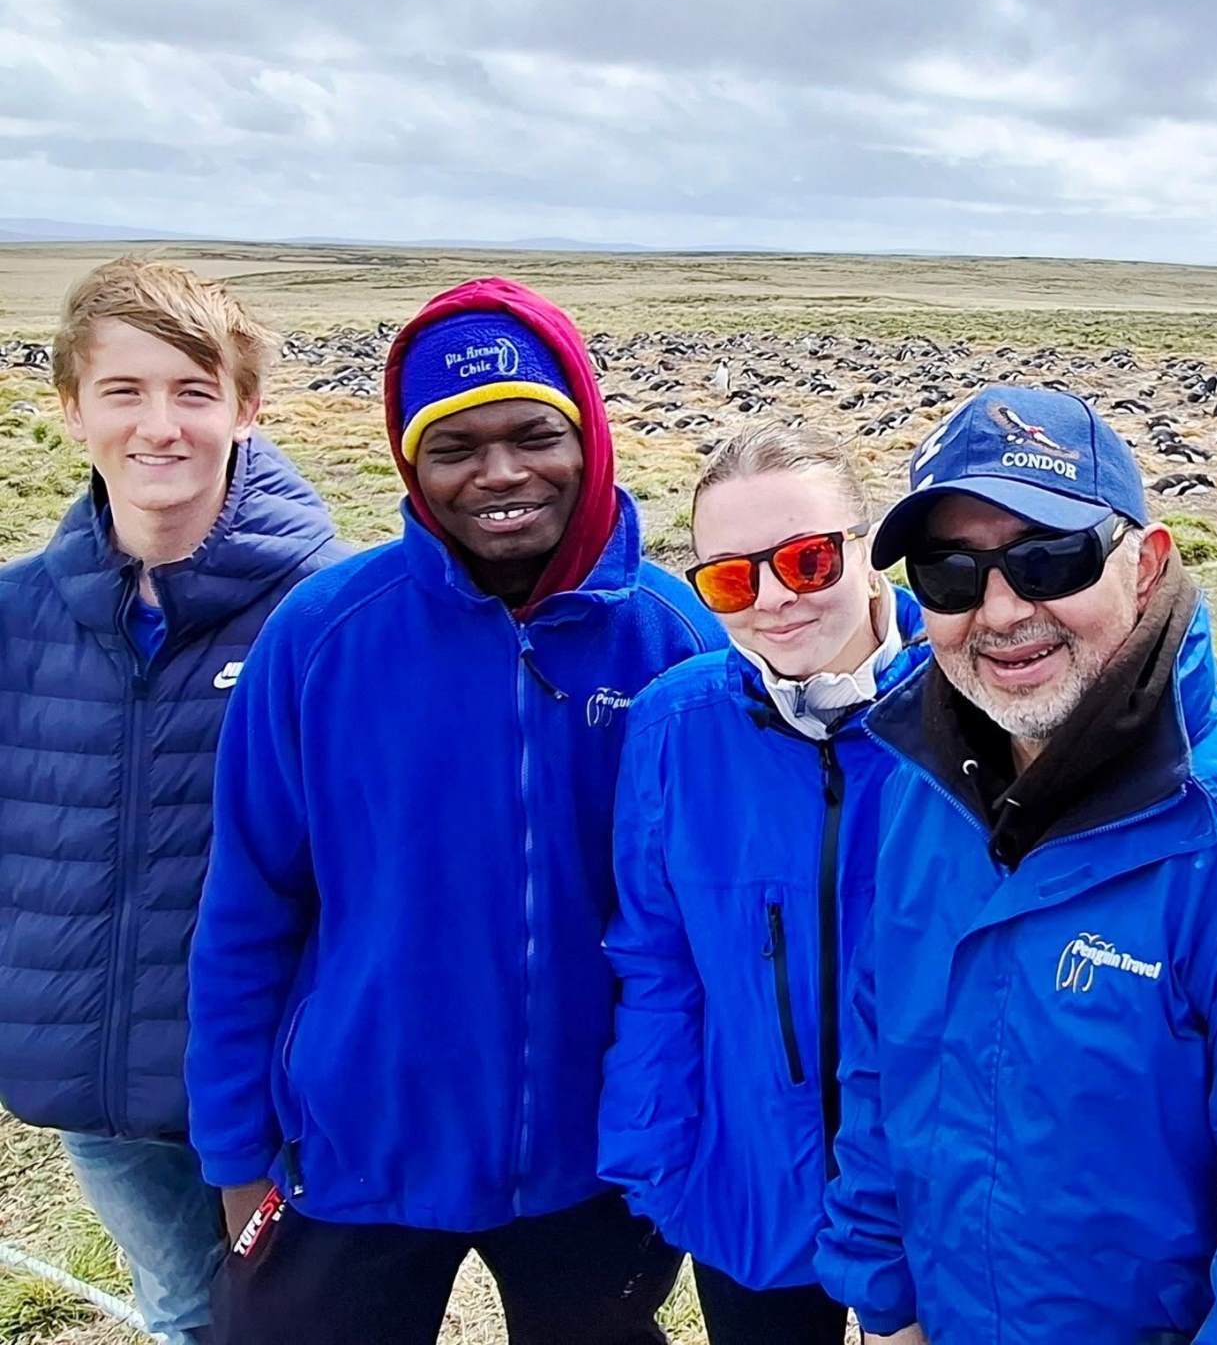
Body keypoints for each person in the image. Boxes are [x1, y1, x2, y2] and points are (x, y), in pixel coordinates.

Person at [186, 277, 725, 1345]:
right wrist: (234, 1152)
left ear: (589, 436)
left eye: (535, 434)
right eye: (454, 446)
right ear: (410, 465)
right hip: (356, 1148)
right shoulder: (321, 637)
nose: (501, 472)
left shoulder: (675, 639)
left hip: (602, 1153)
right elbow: (248, 906)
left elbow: (716, 918)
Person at [814, 385, 1217, 1345]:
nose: (1001, 610)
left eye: (1050, 558)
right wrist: (884, 1306)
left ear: (1148, 560)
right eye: (949, 575)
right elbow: (881, 1065)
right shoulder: (923, 786)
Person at [0, 257, 345, 1345]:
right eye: (124, 391)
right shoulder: (16, 618)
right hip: (100, 1081)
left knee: (305, 1325)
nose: (160, 426)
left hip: (289, 1088)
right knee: (188, 1316)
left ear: (246, 409)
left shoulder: (327, 615)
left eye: (193, 392)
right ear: (71, 408)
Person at [599, 422, 928, 1345]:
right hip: (750, 1181)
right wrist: (659, 1154)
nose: (777, 599)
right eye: (732, 580)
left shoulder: (968, 712)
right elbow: (655, 959)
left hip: (933, 1195)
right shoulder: (673, 724)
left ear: (868, 548)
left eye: (809, 560)